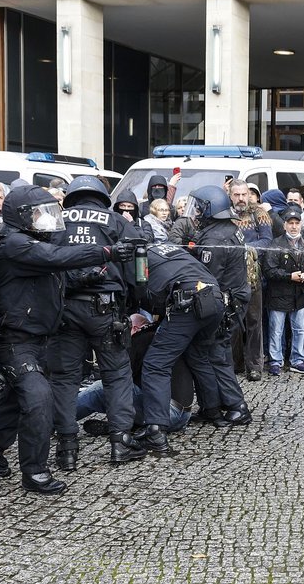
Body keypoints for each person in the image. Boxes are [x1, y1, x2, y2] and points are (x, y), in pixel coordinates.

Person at [0, 185, 135, 495]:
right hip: (16, 339)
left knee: (12, 399)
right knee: (38, 398)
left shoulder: (31, 241)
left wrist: (86, 276)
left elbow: (57, 271)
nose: (45, 220)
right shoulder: (14, 243)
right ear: (21, 216)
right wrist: (106, 251)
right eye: (38, 214)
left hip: (39, 337)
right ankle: (34, 471)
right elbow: (56, 257)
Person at [48, 175, 146, 472]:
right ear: (102, 197)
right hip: (106, 311)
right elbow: (138, 266)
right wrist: (135, 302)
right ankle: (120, 442)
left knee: (65, 379)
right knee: (116, 375)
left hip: (65, 310)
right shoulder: (116, 221)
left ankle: (66, 449)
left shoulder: (56, 219)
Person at [133, 242, 227, 453]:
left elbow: (141, 293)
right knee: (198, 354)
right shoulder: (171, 248)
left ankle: (156, 431)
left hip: (187, 301)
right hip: (215, 298)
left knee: (156, 363)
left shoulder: (137, 257)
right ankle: (212, 410)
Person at [185, 185, 253, 427]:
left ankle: (237, 406)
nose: (196, 213)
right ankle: (212, 404)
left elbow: (207, 276)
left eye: (200, 208)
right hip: (233, 297)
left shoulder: (215, 237)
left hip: (226, 302)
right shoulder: (225, 229)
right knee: (210, 351)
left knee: (216, 353)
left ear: (210, 208)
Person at [76, 315, 193, 434]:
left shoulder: (141, 338)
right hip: (183, 415)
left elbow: (119, 377)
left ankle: (60, 419)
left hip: (166, 413)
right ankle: (129, 426)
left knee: (100, 389)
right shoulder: (164, 340)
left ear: (135, 328)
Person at [262, 207, 304, 375]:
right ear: (284, 225)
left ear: (301, 225)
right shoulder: (275, 244)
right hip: (278, 295)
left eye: (297, 223)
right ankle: (276, 361)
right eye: (291, 223)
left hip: (299, 294)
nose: (294, 227)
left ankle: (297, 360)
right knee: (276, 330)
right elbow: (269, 270)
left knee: (299, 330)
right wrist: (290, 276)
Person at [228, 180, 273, 381]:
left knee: (254, 322)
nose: (240, 198)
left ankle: (254, 365)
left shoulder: (259, 214)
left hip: (253, 277)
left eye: (243, 194)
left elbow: (266, 241)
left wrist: (243, 248)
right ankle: (235, 363)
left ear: (249, 194)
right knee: (233, 323)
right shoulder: (225, 215)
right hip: (230, 278)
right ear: (230, 196)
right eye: (236, 195)